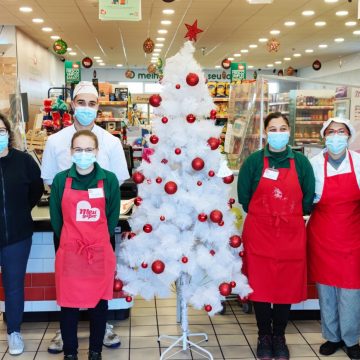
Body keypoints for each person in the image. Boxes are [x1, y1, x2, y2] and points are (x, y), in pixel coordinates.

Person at [41, 81, 129, 353]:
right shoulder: (55, 141)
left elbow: (115, 196)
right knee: (68, 293)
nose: (86, 109)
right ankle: (66, 335)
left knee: (99, 293)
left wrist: (101, 229)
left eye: (92, 104)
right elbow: (51, 188)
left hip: (99, 236)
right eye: (82, 103)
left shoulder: (111, 143)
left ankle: (101, 333)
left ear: (98, 107)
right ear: (72, 105)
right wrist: (67, 229)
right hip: (68, 237)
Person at [238, 112, 315, 360]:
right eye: (273, 128)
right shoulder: (253, 162)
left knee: (285, 286)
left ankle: (279, 335)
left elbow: (307, 199)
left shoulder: (301, 163)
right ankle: (264, 335)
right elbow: (245, 198)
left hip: (290, 232)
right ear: (265, 132)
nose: (278, 133)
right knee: (260, 286)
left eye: (283, 128)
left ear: (289, 131)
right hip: (259, 232)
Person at [50, 130, 120, 360]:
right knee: (68, 307)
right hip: (71, 254)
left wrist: (96, 240)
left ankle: (95, 351)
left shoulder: (109, 180)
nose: (83, 154)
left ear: (97, 152)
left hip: (98, 253)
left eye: (88, 150)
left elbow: (112, 217)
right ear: (71, 152)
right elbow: (56, 219)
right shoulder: (61, 180)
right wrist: (71, 242)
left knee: (99, 307)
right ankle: (70, 352)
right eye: (78, 149)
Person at [307, 118, 360, 359]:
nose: (336, 136)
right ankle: (332, 336)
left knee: (351, 292)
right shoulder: (314, 164)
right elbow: (307, 199)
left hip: (352, 235)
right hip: (323, 235)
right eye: (331, 132)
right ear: (323, 136)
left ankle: (351, 339)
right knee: (326, 291)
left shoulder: (359, 163)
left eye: (341, 132)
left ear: (349, 136)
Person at [0, 113, 44, 355]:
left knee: (14, 286)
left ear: (8, 133)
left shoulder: (24, 161)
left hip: (17, 236)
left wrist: (17, 212)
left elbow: (36, 189)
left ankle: (13, 332)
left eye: (0, 130)